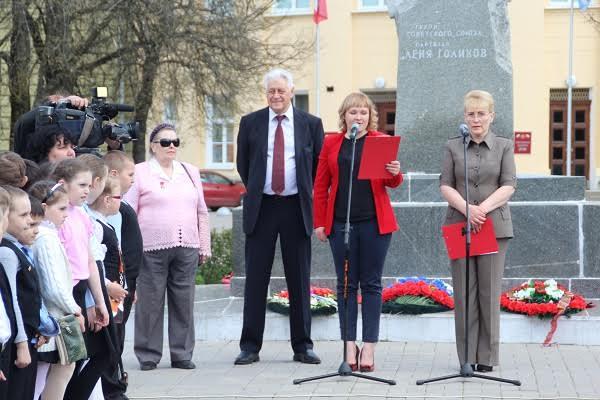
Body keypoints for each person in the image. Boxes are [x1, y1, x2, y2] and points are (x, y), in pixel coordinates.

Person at [235, 68, 324, 365]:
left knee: (299, 278)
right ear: (266, 94)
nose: (276, 95)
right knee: (256, 279)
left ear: (291, 92)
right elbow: (244, 164)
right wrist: (262, 189)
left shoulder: (311, 124)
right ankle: (250, 346)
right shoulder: (251, 123)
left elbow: (317, 167)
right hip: (262, 208)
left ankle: (303, 346)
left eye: (281, 91)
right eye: (271, 91)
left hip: (296, 207)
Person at [313, 92, 402, 372]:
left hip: (375, 224)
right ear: (344, 116)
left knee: (372, 284)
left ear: (369, 116)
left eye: (363, 112)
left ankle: (370, 348)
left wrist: (395, 171)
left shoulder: (380, 142)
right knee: (346, 285)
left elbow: (393, 182)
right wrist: (320, 223)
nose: (358, 117)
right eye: (353, 112)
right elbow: (320, 186)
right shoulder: (332, 143)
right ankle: (349, 345)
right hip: (341, 225)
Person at [439, 90, 516, 372]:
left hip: (493, 227)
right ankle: (466, 358)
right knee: (463, 292)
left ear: (491, 116)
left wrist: (481, 209)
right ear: (464, 117)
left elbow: (509, 184)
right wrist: (468, 210)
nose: (476, 119)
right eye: (471, 114)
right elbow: (445, 184)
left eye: (481, 113)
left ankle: (486, 357)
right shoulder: (452, 146)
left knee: (487, 291)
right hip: (460, 225)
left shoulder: (504, 146)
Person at [124, 122, 211, 371]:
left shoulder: (190, 171)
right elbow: (128, 212)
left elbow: (202, 211)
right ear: (153, 146)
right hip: (150, 247)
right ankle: (148, 354)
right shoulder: (141, 172)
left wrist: (204, 245)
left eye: (175, 142)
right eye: (165, 142)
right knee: (150, 304)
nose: (171, 146)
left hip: (187, 246)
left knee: (184, 302)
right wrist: (130, 249)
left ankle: (182, 354)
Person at [29, 181, 84, 400]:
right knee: (55, 369)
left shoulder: (47, 235)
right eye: (61, 209)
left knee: (63, 367)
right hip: (56, 317)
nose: (66, 214)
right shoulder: (45, 238)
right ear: (43, 208)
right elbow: (54, 286)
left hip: (58, 315)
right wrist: (75, 310)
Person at [102, 150, 141, 400]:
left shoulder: (122, 206)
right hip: (113, 287)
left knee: (118, 337)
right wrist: (117, 284)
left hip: (125, 286)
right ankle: (112, 388)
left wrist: (131, 288)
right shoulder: (112, 209)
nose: (134, 179)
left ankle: (115, 382)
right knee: (111, 339)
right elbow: (114, 252)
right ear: (113, 174)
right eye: (130, 174)